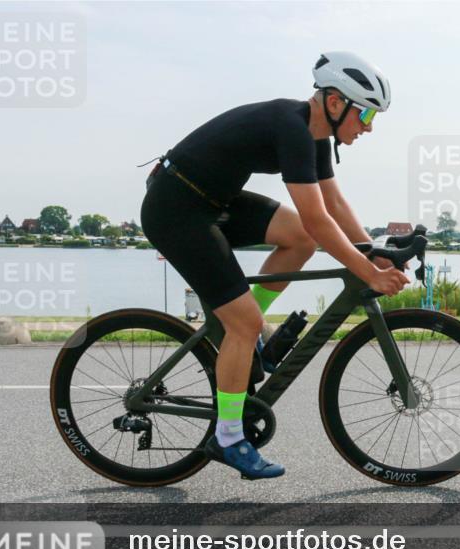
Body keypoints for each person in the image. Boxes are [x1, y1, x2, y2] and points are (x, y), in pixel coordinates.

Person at [140, 52, 409, 480]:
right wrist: (367, 271)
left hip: (214, 202)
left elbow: (333, 203)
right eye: (367, 114)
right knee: (243, 323)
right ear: (336, 104)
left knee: (297, 237)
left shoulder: (315, 134)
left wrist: (369, 249)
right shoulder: (293, 129)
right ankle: (228, 437)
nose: (369, 126)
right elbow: (320, 218)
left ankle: (249, 337)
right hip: (176, 210)